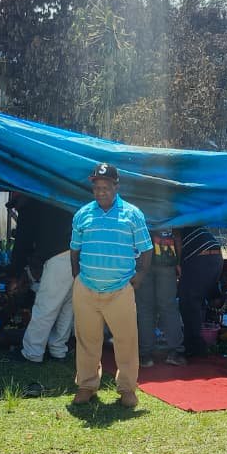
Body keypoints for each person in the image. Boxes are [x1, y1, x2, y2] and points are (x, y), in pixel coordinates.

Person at [70, 163, 152, 408]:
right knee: (87, 340)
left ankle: (127, 389)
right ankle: (86, 386)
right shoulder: (82, 214)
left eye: (105, 186)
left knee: (126, 341)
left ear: (116, 186)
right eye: (96, 187)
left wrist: (140, 275)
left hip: (120, 290)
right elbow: (74, 249)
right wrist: (77, 277)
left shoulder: (133, 214)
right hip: (86, 288)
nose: (100, 191)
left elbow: (147, 249)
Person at [11, 195, 75, 363]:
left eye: (15, 204)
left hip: (58, 256)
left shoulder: (30, 207)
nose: (15, 209)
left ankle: (32, 352)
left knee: (45, 306)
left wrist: (15, 273)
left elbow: (22, 243)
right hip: (77, 253)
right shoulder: (54, 200)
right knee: (67, 307)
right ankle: (58, 349)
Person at [137, 228, 186, 367]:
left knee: (145, 309)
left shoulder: (137, 213)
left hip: (142, 258)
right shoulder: (169, 213)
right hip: (166, 258)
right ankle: (175, 353)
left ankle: (145, 355)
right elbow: (177, 235)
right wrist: (178, 262)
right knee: (168, 307)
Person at [177, 226, 223, 357]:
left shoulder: (172, 223)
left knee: (189, 302)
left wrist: (177, 264)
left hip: (200, 257)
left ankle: (194, 345)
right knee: (198, 301)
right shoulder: (190, 220)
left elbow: (177, 239)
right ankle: (196, 340)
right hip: (216, 257)